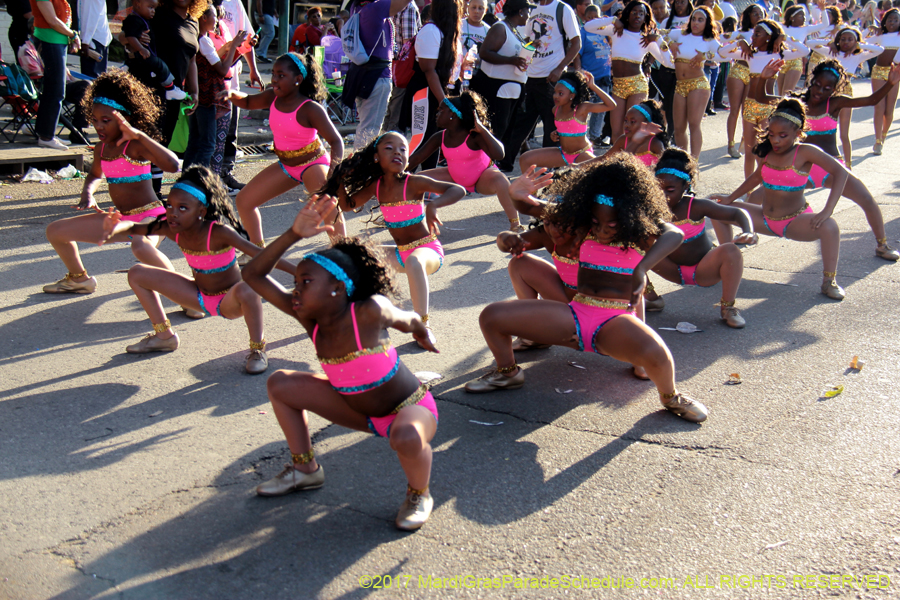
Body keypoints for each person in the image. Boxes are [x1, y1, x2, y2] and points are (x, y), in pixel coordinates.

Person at [241, 196, 440, 531]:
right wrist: (293, 233)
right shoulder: (310, 318)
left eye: (305, 282)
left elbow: (407, 319)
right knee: (280, 384)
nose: (295, 290)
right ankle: (305, 469)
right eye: (296, 283)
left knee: (406, 437)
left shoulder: (369, 311)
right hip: (357, 411)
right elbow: (251, 273)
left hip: (408, 410)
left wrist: (422, 332)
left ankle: (419, 493)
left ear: (337, 288)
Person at [463, 153, 709, 424]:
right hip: (575, 315)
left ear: (630, 215)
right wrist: (516, 194)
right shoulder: (580, 220)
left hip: (615, 322)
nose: (602, 230)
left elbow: (675, 234)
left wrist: (641, 269)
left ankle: (671, 397)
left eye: (611, 225)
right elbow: (531, 207)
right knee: (491, 316)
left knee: (657, 354)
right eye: (595, 223)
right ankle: (508, 373)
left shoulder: (641, 232)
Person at [98, 166, 287, 373]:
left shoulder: (220, 232)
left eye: (182, 208)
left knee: (248, 288)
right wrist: (114, 226)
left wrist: (299, 272)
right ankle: (164, 337)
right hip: (197, 297)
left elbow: (263, 255)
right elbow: (135, 228)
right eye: (169, 206)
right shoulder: (172, 229)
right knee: (137, 273)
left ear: (201, 211)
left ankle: (258, 349)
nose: (173, 213)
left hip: (230, 302)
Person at [42, 70, 184, 302]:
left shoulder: (136, 145)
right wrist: (88, 193)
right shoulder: (101, 148)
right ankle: (79, 279)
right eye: (95, 120)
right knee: (55, 231)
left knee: (141, 247)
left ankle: (186, 295)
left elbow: (173, 165)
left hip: (151, 217)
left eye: (106, 121)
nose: (99, 126)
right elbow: (94, 175)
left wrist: (139, 135)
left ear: (125, 119)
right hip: (120, 219)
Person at [319, 132, 467, 347]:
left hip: (428, 251)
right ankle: (357, 315)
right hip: (401, 254)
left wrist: (433, 205)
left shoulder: (414, 182)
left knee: (414, 261)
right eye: (389, 148)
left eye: (403, 149)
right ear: (376, 156)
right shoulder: (376, 185)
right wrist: (340, 179)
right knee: (353, 259)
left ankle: (422, 325)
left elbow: (457, 189)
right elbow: (348, 205)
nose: (397, 152)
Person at [758, 58, 900, 260]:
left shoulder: (835, 103)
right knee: (758, 195)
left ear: (834, 90)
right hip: (801, 168)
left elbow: (870, 100)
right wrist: (763, 79)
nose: (820, 91)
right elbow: (761, 97)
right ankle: (748, 232)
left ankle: (882, 244)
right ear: (811, 80)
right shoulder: (796, 103)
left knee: (867, 199)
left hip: (830, 167)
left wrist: (891, 83)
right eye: (817, 84)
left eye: (827, 88)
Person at [710, 98, 848, 300]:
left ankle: (829, 281)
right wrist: (729, 198)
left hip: (795, 222)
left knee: (830, 227)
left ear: (797, 133)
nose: (775, 141)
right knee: (716, 209)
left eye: (783, 136)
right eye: (772, 134)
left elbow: (841, 172)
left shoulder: (806, 152)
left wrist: (827, 210)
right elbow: (756, 178)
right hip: (764, 219)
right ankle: (728, 264)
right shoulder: (768, 151)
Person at [223, 52, 345, 253]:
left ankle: (345, 255)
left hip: (313, 165)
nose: (274, 79)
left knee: (328, 210)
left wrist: (333, 173)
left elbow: (336, 141)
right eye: (273, 74)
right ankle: (256, 252)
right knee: (244, 201)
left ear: (298, 80)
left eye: (281, 75)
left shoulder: (310, 108)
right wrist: (230, 94)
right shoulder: (272, 96)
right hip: (286, 165)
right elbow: (247, 102)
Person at [650, 148, 755, 328]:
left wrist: (749, 231)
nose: (663, 196)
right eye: (658, 189)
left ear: (686, 186)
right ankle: (650, 298)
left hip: (704, 271)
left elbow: (737, 213)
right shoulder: (650, 210)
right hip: (670, 270)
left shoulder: (696, 206)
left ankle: (728, 308)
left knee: (731, 251)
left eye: (670, 190)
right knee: (631, 243)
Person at [407, 91, 524, 231]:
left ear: (453, 115)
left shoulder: (474, 136)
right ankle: (408, 217)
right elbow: (417, 158)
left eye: (441, 111)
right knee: (414, 180)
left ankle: (515, 224)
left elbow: (499, 154)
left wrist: (483, 130)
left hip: (482, 178)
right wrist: (396, 172)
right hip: (453, 177)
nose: (436, 114)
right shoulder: (440, 136)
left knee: (501, 180)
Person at [495, 0, 581, 172]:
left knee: (551, 125)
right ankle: (505, 163)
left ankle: (550, 169)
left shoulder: (562, 9)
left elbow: (576, 43)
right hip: (529, 77)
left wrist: (559, 68)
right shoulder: (531, 8)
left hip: (551, 78)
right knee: (520, 123)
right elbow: (528, 40)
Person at [718, 18, 807, 178]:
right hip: (750, 106)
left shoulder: (779, 54)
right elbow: (722, 53)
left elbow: (804, 51)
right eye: (752, 35)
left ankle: (764, 184)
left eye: (757, 34)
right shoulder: (750, 55)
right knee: (749, 151)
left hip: (768, 108)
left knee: (763, 152)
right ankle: (749, 188)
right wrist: (739, 42)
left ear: (768, 37)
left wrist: (784, 37)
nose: (752, 38)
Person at [584, 0, 673, 142]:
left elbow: (669, 62)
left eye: (641, 13)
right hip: (618, 86)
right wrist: (613, 20)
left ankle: (633, 156)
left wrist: (658, 39)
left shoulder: (645, 39)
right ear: (627, 14)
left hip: (637, 86)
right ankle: (619, 157)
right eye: (634, 12)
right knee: (617, 132)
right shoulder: (615, 31)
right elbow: (588, 26)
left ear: (645, 17)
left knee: (633, 131)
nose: (637, 16)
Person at [806, 26, 884, 167]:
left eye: (850, 39)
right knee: (825, 130)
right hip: (828, 94)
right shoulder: (831, 52)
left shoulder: (857, 56)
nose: (846, 42)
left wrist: (859, 45)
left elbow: (879, 50)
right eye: (843, 39)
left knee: (844, 134)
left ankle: (847, 166)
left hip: (845, 93)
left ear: (855, 41)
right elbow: (810, 43)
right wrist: (830, 43)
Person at [342, 0, 413, 152]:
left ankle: (359, 161)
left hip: (362, 74)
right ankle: (361, 164)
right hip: (377, 77)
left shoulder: (358, 7)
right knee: (370, 131)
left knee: (365, 127)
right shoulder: (375, 8)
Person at [400, 0, 463, 169]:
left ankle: (427, 179)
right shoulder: (431, 31)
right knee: (419, 140)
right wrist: (444, 102)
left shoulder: (449, 33)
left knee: (434, 140)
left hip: (440, 93)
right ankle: (403, 177)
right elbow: (428, 70)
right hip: (424, 94)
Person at [183, 5, 247, 170]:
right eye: (214, 16)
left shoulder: (197, 37)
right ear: (204, 18)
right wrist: (234, 46)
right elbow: (222, 69)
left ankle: (187, 178)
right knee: (208, 144)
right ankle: (200, 180)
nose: (217, 20)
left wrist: (230, 47)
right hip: (207, 97)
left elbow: (213, 60)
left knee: (194, 141)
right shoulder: (204, 40)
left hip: (198, 95)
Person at [518, 69, 616, 169]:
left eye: (560, 93)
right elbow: (566, 128)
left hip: (581, 154)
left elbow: (611, 105)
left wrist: (593, 86)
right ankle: (530, 180)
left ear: (571, 96)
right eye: (555, 92)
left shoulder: (582, 108)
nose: (555, 96)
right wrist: (556, 133)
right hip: (563, 154)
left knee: (602, 170)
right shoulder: (555, 110)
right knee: (525, 159)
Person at [469, 0, 534, 143]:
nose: (529, 15)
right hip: (496, 90)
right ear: (520, 12)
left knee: (504, 133)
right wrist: (511, 60)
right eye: (528, 11)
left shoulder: (513, 29)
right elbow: (485, 53)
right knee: (495, 131)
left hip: (510, 92)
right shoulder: (500, 28)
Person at [18, 19, 91, 144]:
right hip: (43, 88)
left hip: (61, 85)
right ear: (34, 28)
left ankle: (78, 128)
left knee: (88, 86)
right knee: (84, 87)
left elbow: (67, 75)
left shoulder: (50, 47)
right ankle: (76, 131)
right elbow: (35, 75)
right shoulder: (26, 49)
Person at [217, 0, 264, 193]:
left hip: (232, 82)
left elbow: (247, 39)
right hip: (210, 83)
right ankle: (208, 178)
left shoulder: (234, 3)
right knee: (210, 138)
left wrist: (253, 69)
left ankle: (225, 174)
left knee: (230, 134)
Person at [665, 5, 721, 158]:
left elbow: (724, 54)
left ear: (707, 23)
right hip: (680, 85)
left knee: (694, 124)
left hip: (698, 85)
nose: (696, 23)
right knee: (678, 127)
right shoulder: (680, 34)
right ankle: (683, 161)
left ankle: (694, 162)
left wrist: (705, 56)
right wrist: (670, 43)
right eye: (694, 19)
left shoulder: (709, 40)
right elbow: (658, 34)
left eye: (700, 20)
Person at [30, 0, 81, 151]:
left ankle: (45, 133)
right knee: (56, 90)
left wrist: (70, 36)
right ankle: (46, 137)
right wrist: (73, 34)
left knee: (53, 90)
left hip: (57, 41)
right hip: (49, 41)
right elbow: (52, 20)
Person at [122, 0, 189, 100]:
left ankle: (127, 67)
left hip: (146, 57)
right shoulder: (134, 19)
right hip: (143, 57)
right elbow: (128, 36)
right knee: (161, 66)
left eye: (154, 8)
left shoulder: (144, 19)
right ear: (137, 4)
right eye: (150, 7)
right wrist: (140, 47)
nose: (153, 11)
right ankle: (170, 89)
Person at [721, 4, 763, 159]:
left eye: (761, 13)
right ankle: (730, 144)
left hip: (754, 74)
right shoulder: (740, 33)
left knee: (748, 112)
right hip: (738, 71)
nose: (758, 16)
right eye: (755, 13)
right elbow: (720, 38)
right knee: (734, 110)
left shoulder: (768, 34)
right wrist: (738, 41)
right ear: (748, 16)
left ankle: (745, 142)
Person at [575, 3, 613, 150]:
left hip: (604, 75)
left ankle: (595, 136)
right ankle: (579, 135)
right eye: (589, 17)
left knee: (601, 108)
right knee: (584, 106)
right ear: (585, 19)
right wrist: (579, 70)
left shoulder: (606, 31)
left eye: (596, 17)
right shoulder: (583, 32)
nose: (592, 20)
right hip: (589, 76)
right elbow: (577, 54)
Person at [587, 99, 667, 166]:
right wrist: (580, 165)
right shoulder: (623, 140)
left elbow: (664, 168)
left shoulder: (655, 144)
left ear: (646, 124)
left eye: (632, 122)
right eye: (625, 120)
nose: (626, 125)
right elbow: (604, 158)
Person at [383, 0, 421, 131]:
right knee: (397, 110)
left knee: (389, 109)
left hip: (390, 63)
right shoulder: (408, 7)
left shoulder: (392, 4)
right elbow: (408, 44)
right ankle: (392, 137)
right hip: (402, 66)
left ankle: (385, 138)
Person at [867, 8, 899, 155]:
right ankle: (878, 140)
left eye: (896, 20)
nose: (892, 22)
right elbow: (862, 41)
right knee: (879, 107)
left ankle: (884, 135)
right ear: (884, 22)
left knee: (889, 110)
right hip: (878, 72)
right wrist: (870, 30)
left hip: (895, 73)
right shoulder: (880, 36)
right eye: (889, 20)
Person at [779, 6, 829, 95]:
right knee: (779, 94)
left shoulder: (805, 28)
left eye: (804, 16)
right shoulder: (780, 26)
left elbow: (825, 24)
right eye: (801, 16)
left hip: (795, 63)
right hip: (781, 61)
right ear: (792, 17)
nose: (804, 18)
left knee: (786, 94)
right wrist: (772, 12)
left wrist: (823, 9)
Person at [77, 0, 111, 77]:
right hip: (94, 38)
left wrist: (85, 42)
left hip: (93, 40)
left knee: (91, 78)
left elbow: (92, 17)